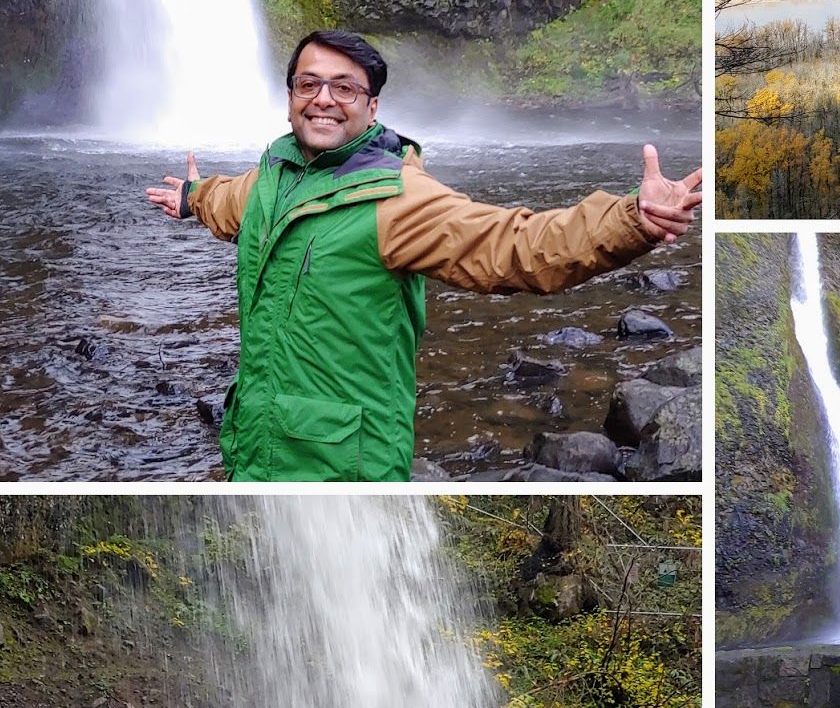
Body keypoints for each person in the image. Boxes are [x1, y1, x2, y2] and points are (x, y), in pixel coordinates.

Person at [144, 30, 701, 481]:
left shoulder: (398, 199)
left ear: (372, 105)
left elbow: (514, 245)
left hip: (343, 466)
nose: (323, 99)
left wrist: (633, 220)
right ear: (290, 95)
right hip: (255, 445)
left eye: (345, 89)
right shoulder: (272, 176)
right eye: (309, 83)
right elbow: (231, 202)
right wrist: (192, 198)